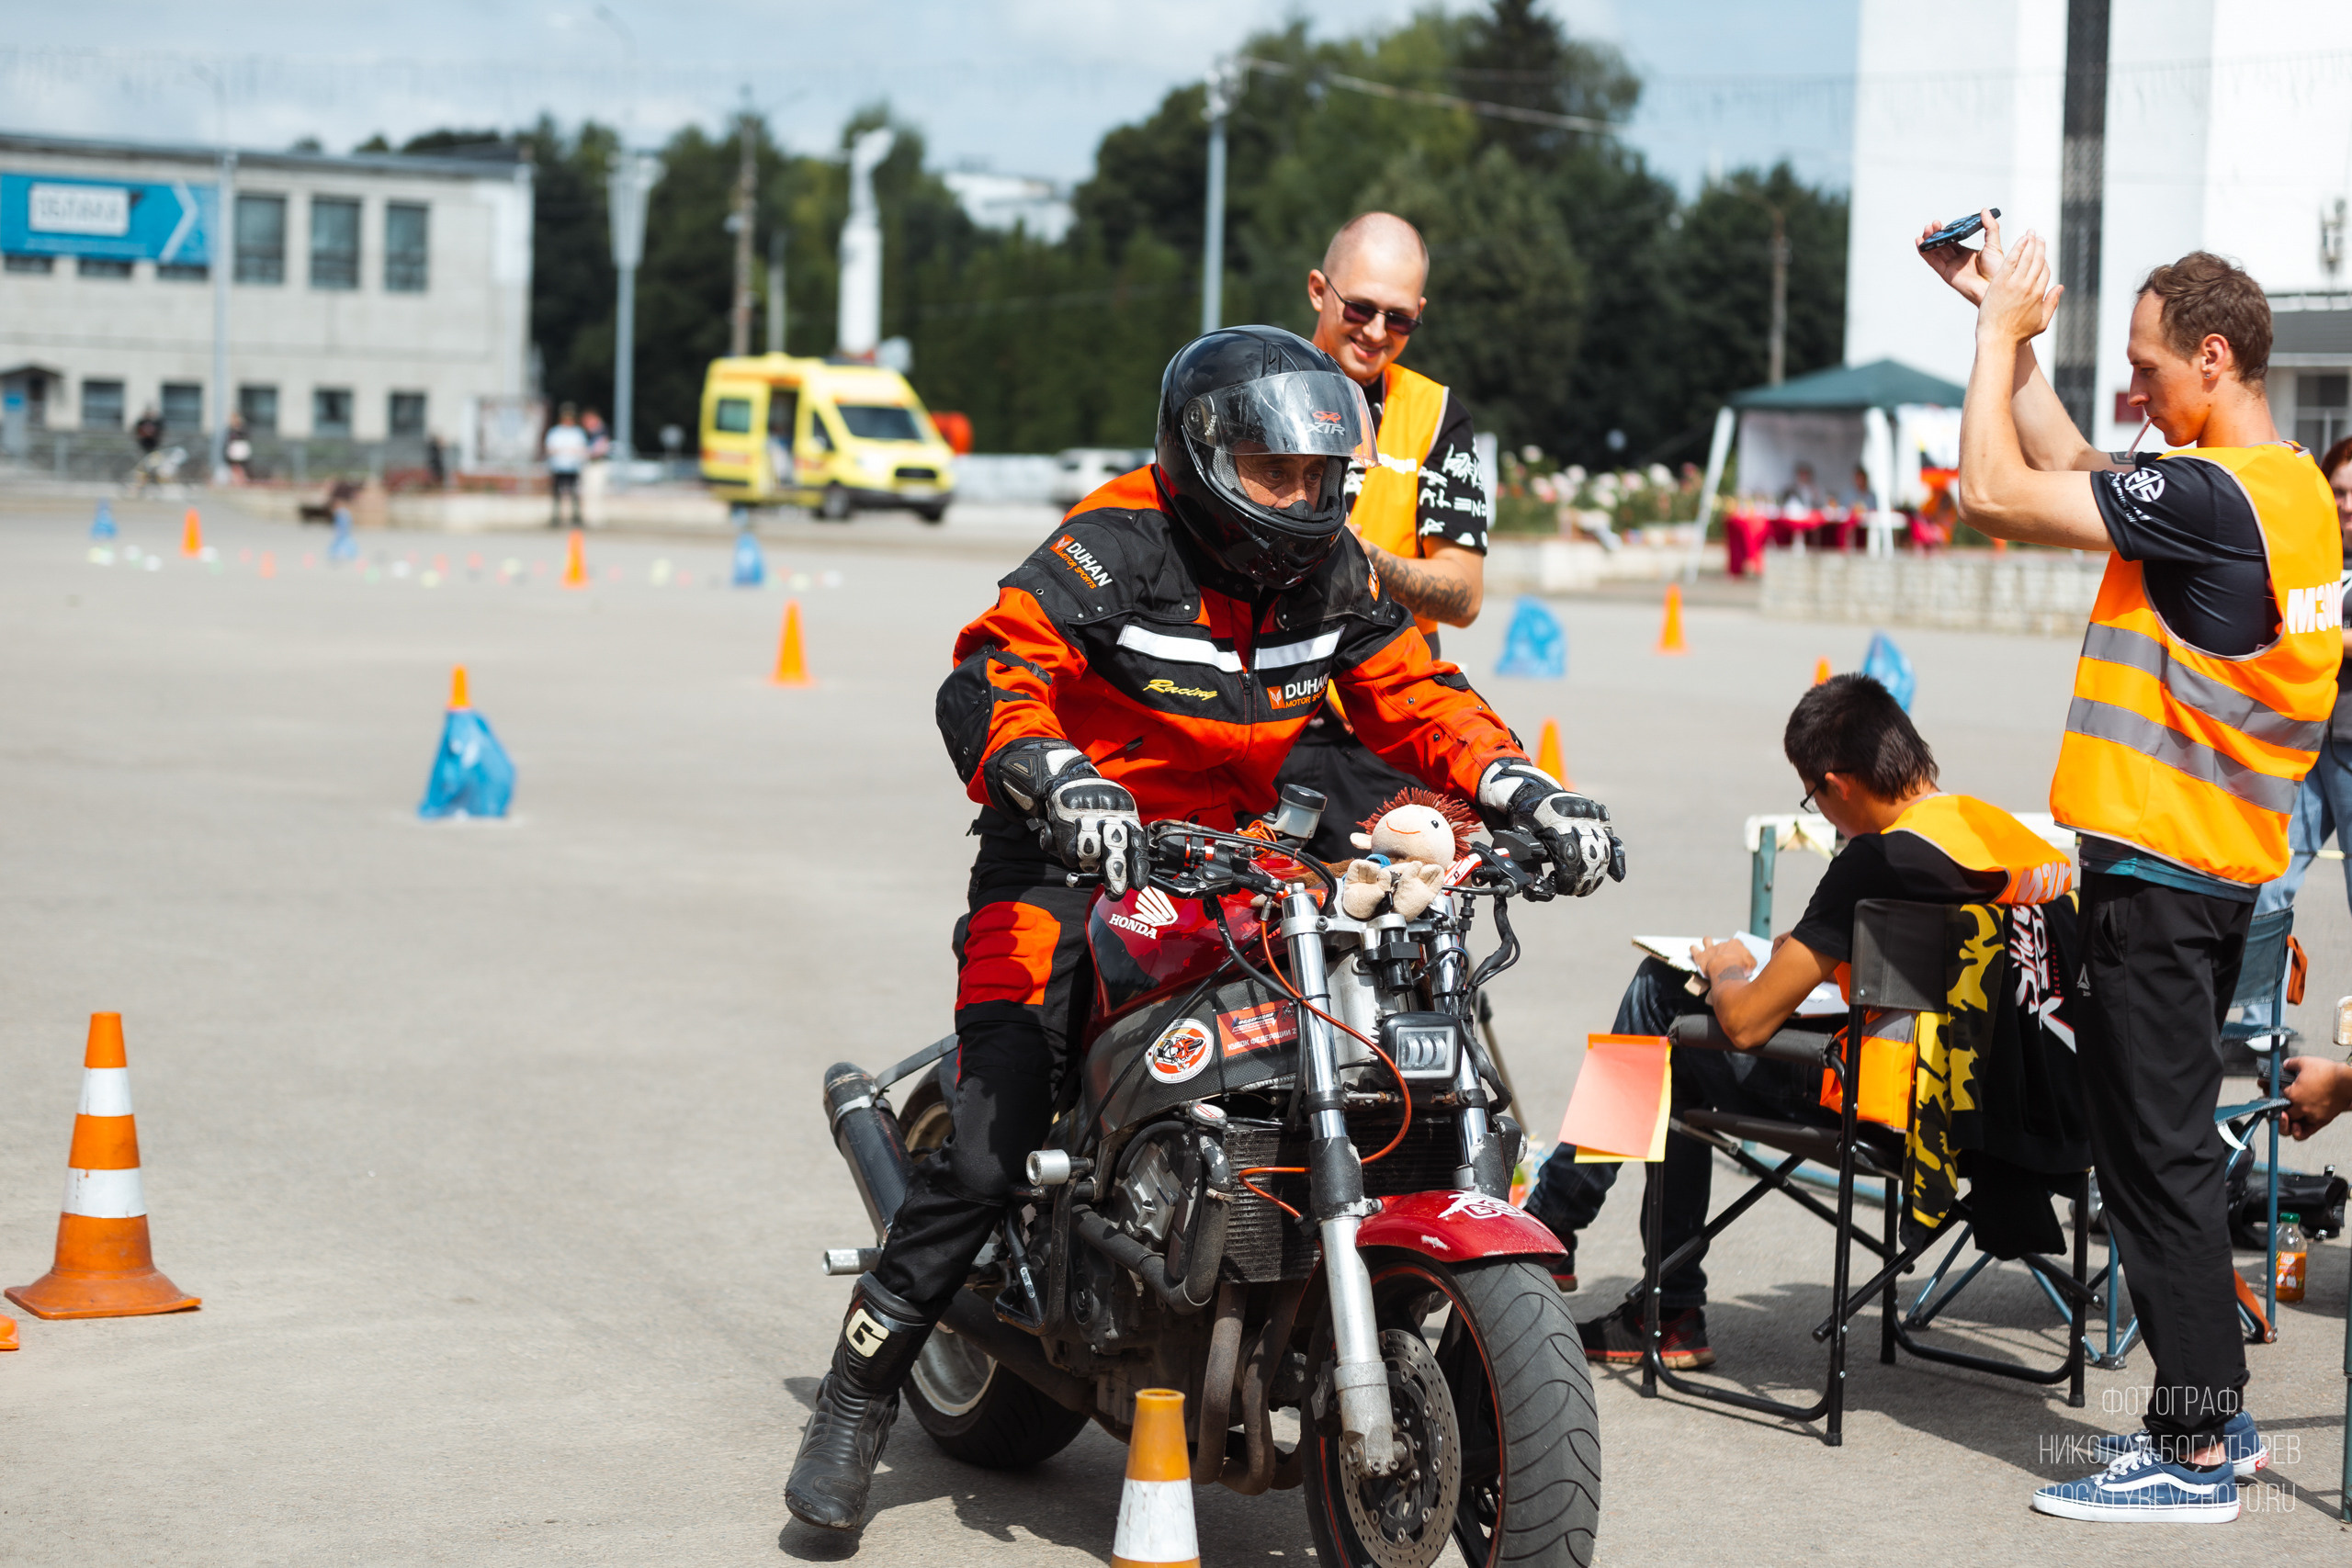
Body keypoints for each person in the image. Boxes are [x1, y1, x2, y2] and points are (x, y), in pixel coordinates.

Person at [783, 325, 1627, 1533]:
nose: (1305, 496)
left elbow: (1419, 698)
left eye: (1323, 474)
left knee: (1360, 1033)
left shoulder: (1328, 567)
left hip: (1243, 855)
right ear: (1206, 454)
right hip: (1072, 855)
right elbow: (990, 674)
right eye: (1279, 472)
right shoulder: (1116, 542)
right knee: (991, 1135)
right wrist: (1059, 779)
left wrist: (1524, 790)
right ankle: (860, 1388)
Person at [1924, 218, 2340, 1523]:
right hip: (2210, 868)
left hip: (2162, 876)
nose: (2138, 392)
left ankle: (2197, 1442)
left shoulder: (2219, 499)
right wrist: (2016, 338)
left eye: (2152, 365)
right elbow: (2090, 469)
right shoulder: (2275, 494)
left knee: (2153, 1159)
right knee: (2164, 1144)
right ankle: (2209, 1412)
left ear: (2214, 357)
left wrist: (1992, 346)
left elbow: (1992, 492)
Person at [1523, 675, 2073, 1369]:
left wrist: (1727, 966)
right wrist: (1811, 954)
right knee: (1668, 1038)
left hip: (1888, 1106)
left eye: (1812, 797)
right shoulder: (2004, 837)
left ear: (1837, 783)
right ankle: (1618, 1267)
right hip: (2015, 1115)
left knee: (1660, 1001)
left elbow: (1749, 1025)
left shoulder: (1878, 860)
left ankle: (1577, 1239)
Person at [1272, 212, 1493, 863]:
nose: (1375, 332)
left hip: (1386, 731)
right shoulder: (1252, 386)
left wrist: (1365, 560)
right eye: (1360, 307)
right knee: (1251, 941)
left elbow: (1464, 594)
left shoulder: (1436, 415)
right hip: (1265, 723)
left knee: (1408, 943)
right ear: (1319, 289)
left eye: (1398, 318)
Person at [2256, 434, 2352, 919]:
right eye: (2338, 491)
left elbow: (2287, 624)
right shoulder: (2310, 548)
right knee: (2267, 888)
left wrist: (2309, 629)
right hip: (2299, 741)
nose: (2347, 505)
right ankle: (2257, 998)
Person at [544, 403, 588, 528]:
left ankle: (576, 516)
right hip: (559, 466)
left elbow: (582, 449)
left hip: (573, 466)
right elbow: (550, 448)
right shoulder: (555, 432)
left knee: (574, 493)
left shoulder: (577, 432)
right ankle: (556, 517)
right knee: (557, 493)